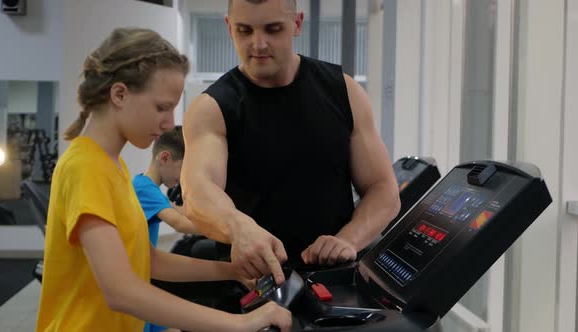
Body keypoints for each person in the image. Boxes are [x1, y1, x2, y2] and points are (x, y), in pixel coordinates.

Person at [36, 27, 291, 332]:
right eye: (161, 107)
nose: (170, 123)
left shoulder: (113, 167)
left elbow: (147, 260)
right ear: (119, 94)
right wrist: (240, 323)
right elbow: (121, 291)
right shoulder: (85, 166)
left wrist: (231, 270)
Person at [182, 0, 401, 285]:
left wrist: (348, 240)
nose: (258, 44)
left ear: (297, 24)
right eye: (244, 31)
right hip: (254, 284)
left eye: (273, 30)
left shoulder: (343, 90)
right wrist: (239, 228)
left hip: (335, 280)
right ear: (228, 28)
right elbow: (197, 192)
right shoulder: (213, 107)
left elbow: (383, 189)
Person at [132, 125, 197, 332]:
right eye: (183, 169)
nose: (183, 178)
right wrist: (228, 231)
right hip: (136, 285)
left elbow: (177, 210)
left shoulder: (148, 186)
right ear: (165, 158)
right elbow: (178, 223)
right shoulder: (143, 188)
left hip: (145, 279)